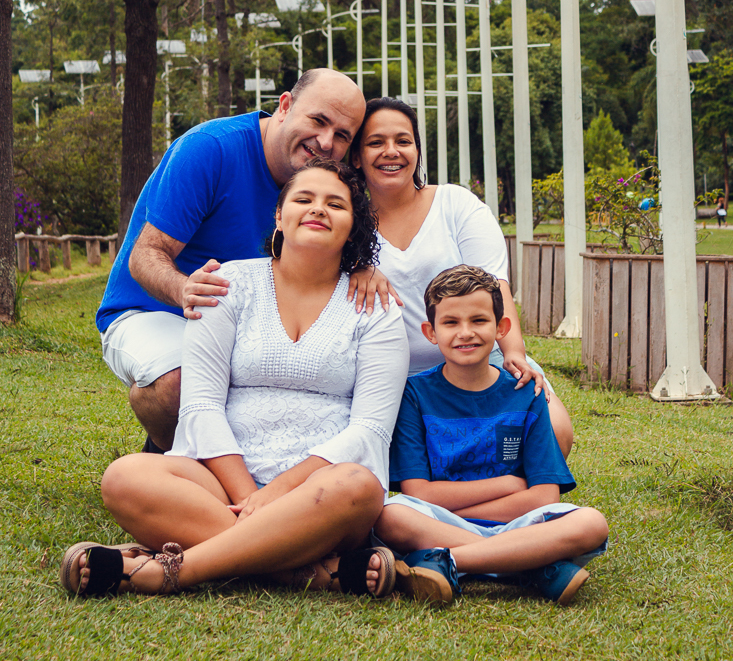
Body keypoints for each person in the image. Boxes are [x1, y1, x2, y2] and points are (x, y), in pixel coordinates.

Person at [62, 159, 419, 599]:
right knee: (124, 477)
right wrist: (250, 495)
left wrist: (282, 492)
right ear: (278, 216)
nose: (318, 209)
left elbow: (370, 428)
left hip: (319, 491)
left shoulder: (377, 306)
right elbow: (200, 405)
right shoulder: (228, 283)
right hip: (223, 482)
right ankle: (308, 573)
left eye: (336, 204)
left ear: (353, 225)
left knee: (360, 486)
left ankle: (171, 570)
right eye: (304, 199)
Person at [96, 69, 394, 452]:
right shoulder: (210, 149)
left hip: (242, 320)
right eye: (318, 121)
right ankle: (171, 456)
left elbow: (351, 230)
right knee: (180, 381)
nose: (325, 142)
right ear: (285, 106)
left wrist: (362, 266)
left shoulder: (330, 178)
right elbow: (145, 256)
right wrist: (184, 288)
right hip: (155, 309)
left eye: (341, 135)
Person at [350, 97, 574, 456]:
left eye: (403, 141)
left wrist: (514, 352)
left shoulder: (456, 204)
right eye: (376, 142)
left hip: (481, 361)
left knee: (553, 433)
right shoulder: (346, 223)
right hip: (394, 382)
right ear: (357, 156)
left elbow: (495, 285)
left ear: (417, 151)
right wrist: (357, 262)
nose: (391, 152)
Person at [373, 265, 608, 606]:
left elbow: (544, 498)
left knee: (591, 523)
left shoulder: (526, 393)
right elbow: (418, 492)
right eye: (451, 323)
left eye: (478, 321)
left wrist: (470, 503)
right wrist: (509, 485)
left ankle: (448, 561)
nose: (465, 333)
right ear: (430, 332)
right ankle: (529, 563)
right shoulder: (414, 394)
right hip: (441, 521)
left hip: (517, 523)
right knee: (390, 515)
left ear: (501, 328)